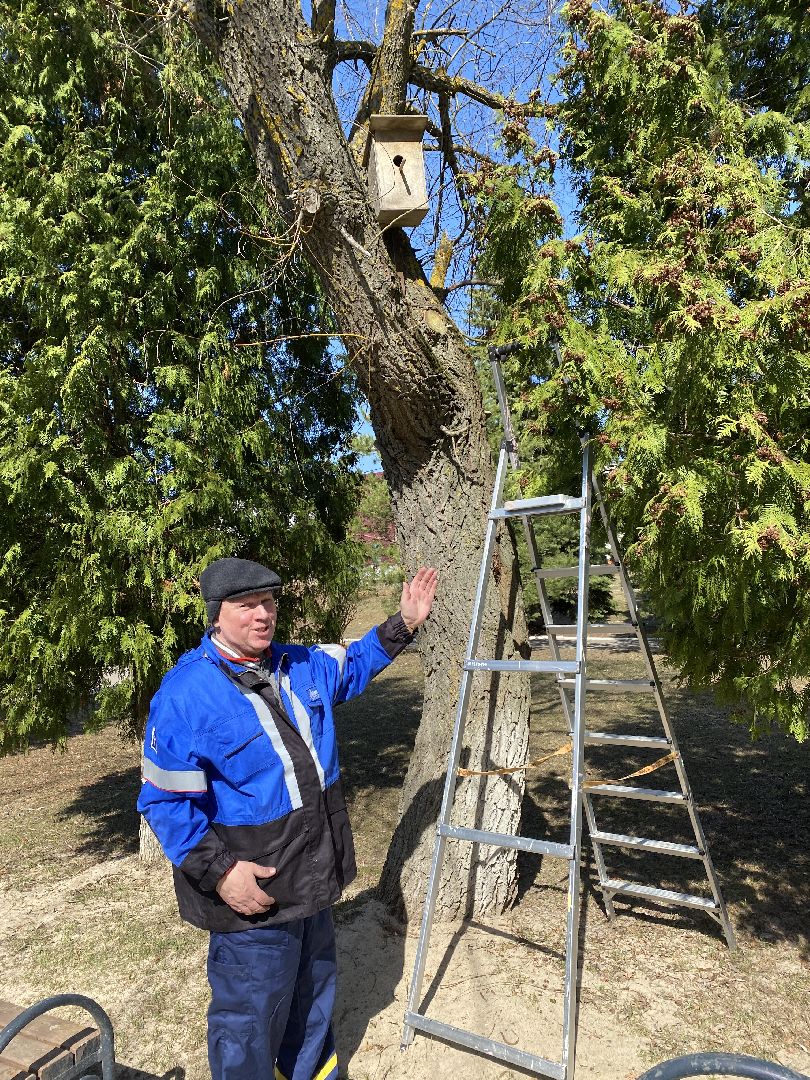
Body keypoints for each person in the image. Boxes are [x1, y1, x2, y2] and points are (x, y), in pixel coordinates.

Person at [137, 557, 438, 1080]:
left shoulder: (300, 664)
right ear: (216, 615)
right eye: (246, 605)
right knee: (250, 1024)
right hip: (254, 902)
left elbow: (356, 661)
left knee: (313, 1009)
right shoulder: (185, 696)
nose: (263, 614)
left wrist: (405, 623)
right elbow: (164, 801)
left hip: (312, 885)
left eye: (269, 602)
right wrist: (221, 873)